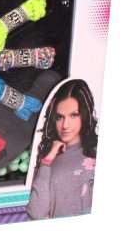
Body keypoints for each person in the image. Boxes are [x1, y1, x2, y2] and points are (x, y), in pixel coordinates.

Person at [27, 79, 98, 219]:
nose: (65, 125)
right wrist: (46, 162)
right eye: (59, 117)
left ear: (85, 115)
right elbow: (36, 213)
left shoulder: (96, 151)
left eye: (74, 115)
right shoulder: (47, 159)